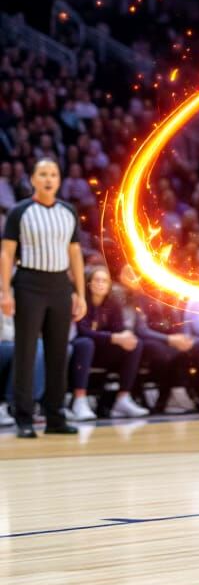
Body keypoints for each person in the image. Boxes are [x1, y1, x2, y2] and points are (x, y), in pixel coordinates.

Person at [0, 158, 86, 437]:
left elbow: (75, 254)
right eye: (43, 174)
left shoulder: (68, 211)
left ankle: (55, 416)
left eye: (53, 174)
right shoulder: (19, 211)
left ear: (59, 180)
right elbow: (6, 254)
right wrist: (5, 292)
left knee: (58, 353)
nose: (48, 179)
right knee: (26, 352)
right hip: (28, 284)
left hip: (60, 284)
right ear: (33, 180)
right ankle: (23, 417)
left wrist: (80, 293)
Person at [76, 265, 149, 418]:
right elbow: (82, 331)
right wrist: (113, 338)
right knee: (86, 343)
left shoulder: (112, 303)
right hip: (81, 351)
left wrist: (126, 335)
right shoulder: (81, 301)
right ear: (88, 283)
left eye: (105, 280)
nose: (101, 283)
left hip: (103, 351)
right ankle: (79, 400)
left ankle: (123, 399)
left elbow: (119, 329)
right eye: (97, 280)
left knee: (135, 344)